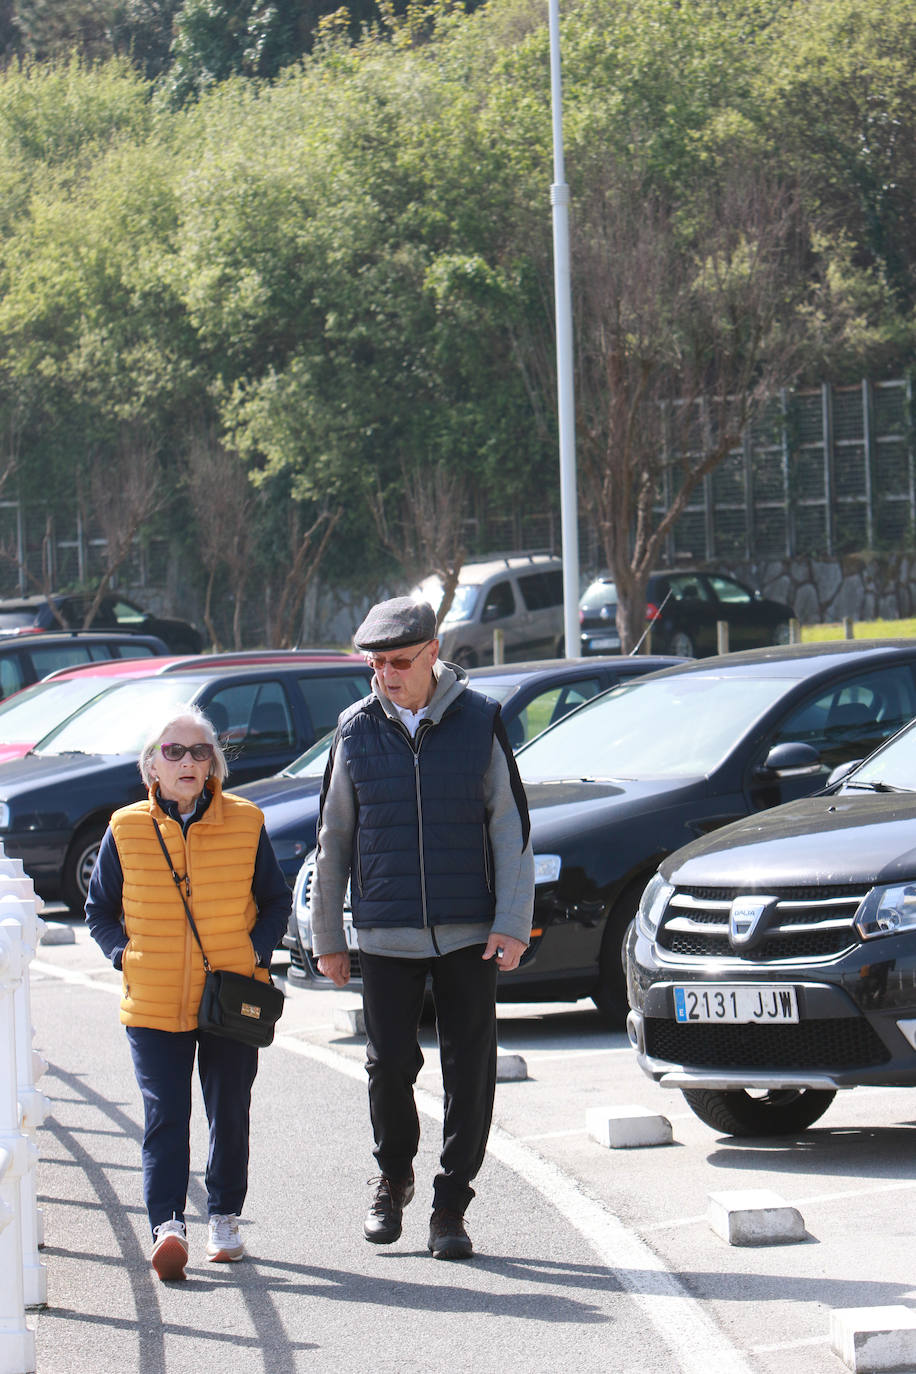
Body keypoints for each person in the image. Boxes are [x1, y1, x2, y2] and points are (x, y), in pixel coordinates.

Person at [311, 596, 534, 1260]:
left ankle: (450, 1205)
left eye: (398, 661)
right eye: (376, 663)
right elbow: (333, 839)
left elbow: (510, 829)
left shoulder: (481, 721)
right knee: (389, 1068)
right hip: (384, 933)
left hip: (470, 932)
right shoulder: (354, 729)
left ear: (433, 651)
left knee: (470, 1071)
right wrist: (328, 936)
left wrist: (513, 923)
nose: (386, 674)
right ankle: (393, 1176)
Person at [85, 706, 291, 1282]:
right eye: (173, 751)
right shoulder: (125, 827)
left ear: (212, 766)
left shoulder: (246, 821)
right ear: (152, 764)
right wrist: (124, 955)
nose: (186, 762)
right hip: (152, 1000)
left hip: (230, 993)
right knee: (165, 1115)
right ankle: (167, 1226)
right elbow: (98, 910)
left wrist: (255, 951)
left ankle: (224, 1217)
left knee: (230, 1110)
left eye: (199, 752)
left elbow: (274, 899)